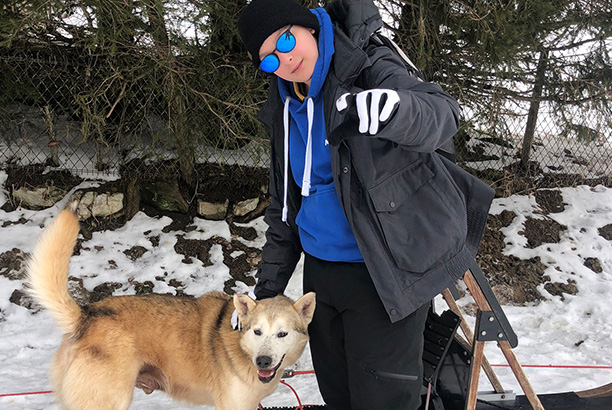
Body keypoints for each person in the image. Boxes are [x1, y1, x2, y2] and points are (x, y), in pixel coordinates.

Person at [236, 0, 495, 409]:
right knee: (338, 392)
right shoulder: (286, 106)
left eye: (286, 40)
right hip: (322, 276)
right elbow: (285, 206)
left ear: (307, 26)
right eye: (269, 60)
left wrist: (396, 110)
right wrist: (267, 290)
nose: (284, 60)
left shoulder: (367, 63)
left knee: (383, 399)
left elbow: (442, 113)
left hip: (385, 270)